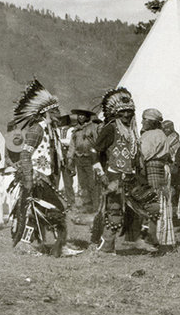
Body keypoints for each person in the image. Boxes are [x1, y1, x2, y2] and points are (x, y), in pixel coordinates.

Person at [8, 79, 79, 257]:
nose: (58, 114)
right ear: (45, 113)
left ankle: (40, 245)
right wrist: (29, 177)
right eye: (54, 111)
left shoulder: (49, 129)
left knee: (42, 212)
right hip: (37, 178)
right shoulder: (36, 130)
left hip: (45, 177)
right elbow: (25, 154)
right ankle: (52, 246)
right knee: (52, 210)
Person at [90, 87, 158, 253]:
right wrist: (102, 175)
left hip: (131, 177)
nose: (127, 115)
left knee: (152, 206)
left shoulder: (132, 131)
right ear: (116, 114)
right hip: (114, 176)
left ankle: (142, 239)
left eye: (130, 112)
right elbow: (95, 151)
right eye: (123, 112)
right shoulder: (111, 128)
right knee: (115, 212)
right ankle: (106, 247)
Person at [139, 108, 174, 249]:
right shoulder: (159, 134)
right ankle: (161, 238)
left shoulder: (151, 135)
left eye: (144, 119)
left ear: (152, 122)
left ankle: (154, 239)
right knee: (161, 203)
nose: (142, 122)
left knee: (154, 203)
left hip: (153, 169)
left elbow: (144, 154)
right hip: (160, 169)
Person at [69, 109, 100, 212]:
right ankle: (87, 205)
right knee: (83, 183)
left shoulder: (93, 127)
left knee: (92, 183)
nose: (81, 117)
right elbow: (72, 145)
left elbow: (97, 142)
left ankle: (95, 206)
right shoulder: (76, 130)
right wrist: (70, 157)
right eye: (79, 115)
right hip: (79, 158)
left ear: (87, 117)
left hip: (91, 158)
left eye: (83, 115)